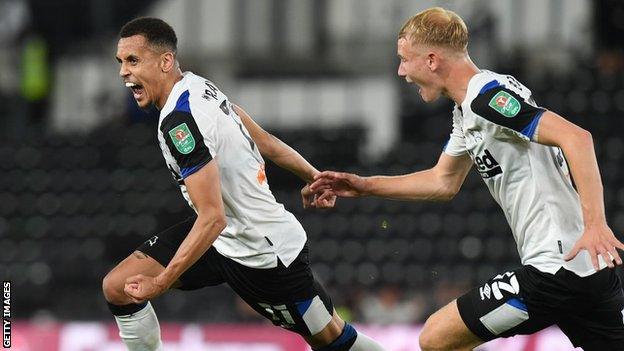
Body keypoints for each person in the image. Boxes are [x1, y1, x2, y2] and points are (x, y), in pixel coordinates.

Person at [310, 7, 624, 351]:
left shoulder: (487, 99)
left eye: (404, 59)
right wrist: (364, 185)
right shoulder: (468, 108)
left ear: (431, 60)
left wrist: (596, 224)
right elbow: (442, 181)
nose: (401, 71)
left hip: (555, 269)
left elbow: (577, 138)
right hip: (587, 271)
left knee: (436, 337)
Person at [102, 17, 385, 351]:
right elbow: (263, 140)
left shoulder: (180, 122)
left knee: (331, 340)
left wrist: (161, 282)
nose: (123, 72)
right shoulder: (197, 86)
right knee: (118, 286)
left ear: (165, 62)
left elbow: (213, 217)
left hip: (262, 256)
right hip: (221, 239)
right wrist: (316, 178)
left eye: (133, 61)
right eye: (121, 62)